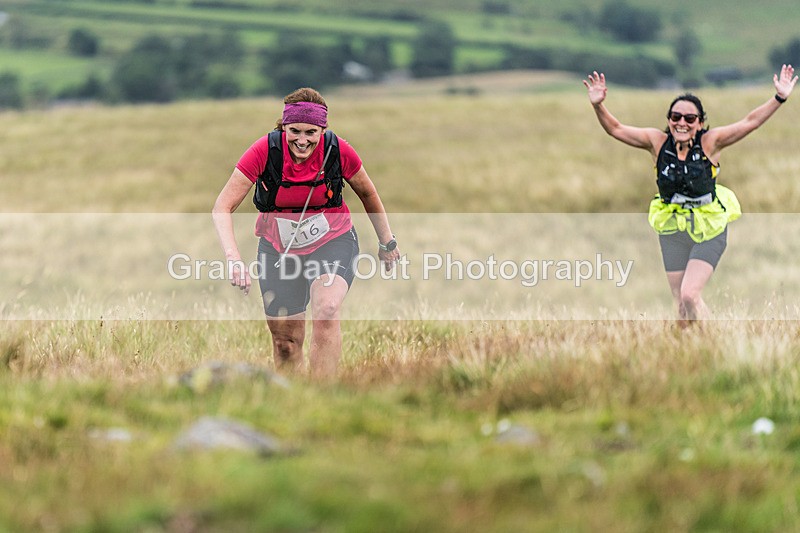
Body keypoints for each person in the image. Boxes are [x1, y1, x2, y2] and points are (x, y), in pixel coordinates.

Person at [583, 65, 797, 322]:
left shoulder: (711, 142)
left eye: (689, 118)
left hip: (709, 227)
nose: (681, 123)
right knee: (681, 307)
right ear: (668, 120)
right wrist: (598, 105)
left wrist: (779, 98)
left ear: (700, 123)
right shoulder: (657, 142)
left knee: (689, 294)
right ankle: (689, 345)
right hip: (672, 228)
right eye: (675, 117)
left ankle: (716, 338)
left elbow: (750, 122)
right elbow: (616, 129)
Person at [213, 87, 400, 378]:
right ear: (284, 127)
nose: (302, 140)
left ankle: (323, 391)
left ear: (322, 130)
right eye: (295, 131)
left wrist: (387, 242)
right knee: (285, 342)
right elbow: (222, 207)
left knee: (327, 308)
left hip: (333, 241)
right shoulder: (264, 151)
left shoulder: (338, 150)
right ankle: (294, 396)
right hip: (278, 250)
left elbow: (368, 193)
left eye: (311, 132)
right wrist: (234, 259)